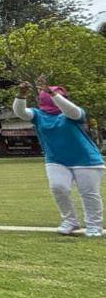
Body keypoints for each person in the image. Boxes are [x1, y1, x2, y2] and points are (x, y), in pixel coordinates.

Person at [14, 79, 103, 238]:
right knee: (58, 188)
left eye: (56, 95)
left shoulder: (73, 113)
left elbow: (72, 112)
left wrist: (53, 94)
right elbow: (21, 113)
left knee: (89, 194)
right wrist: (21, 95)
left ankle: (94, 226)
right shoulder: (38, 115)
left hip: (87, 160)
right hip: (56, 159)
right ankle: (70, 222)